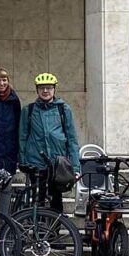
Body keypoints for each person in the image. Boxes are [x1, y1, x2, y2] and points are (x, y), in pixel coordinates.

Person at [19, 72, 81, 214]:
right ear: (37, 90)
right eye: (41, 88)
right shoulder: (28, 110)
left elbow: (72, 139)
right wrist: (22, 161)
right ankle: (38, 231)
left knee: (56, 199)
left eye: (49, 87)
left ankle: (54, 231)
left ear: (54, 89)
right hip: (35, 161)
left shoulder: (63, 109)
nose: (45, 91)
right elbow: (22, 137)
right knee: (37, 199)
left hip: (57, 163)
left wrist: (75, 166)